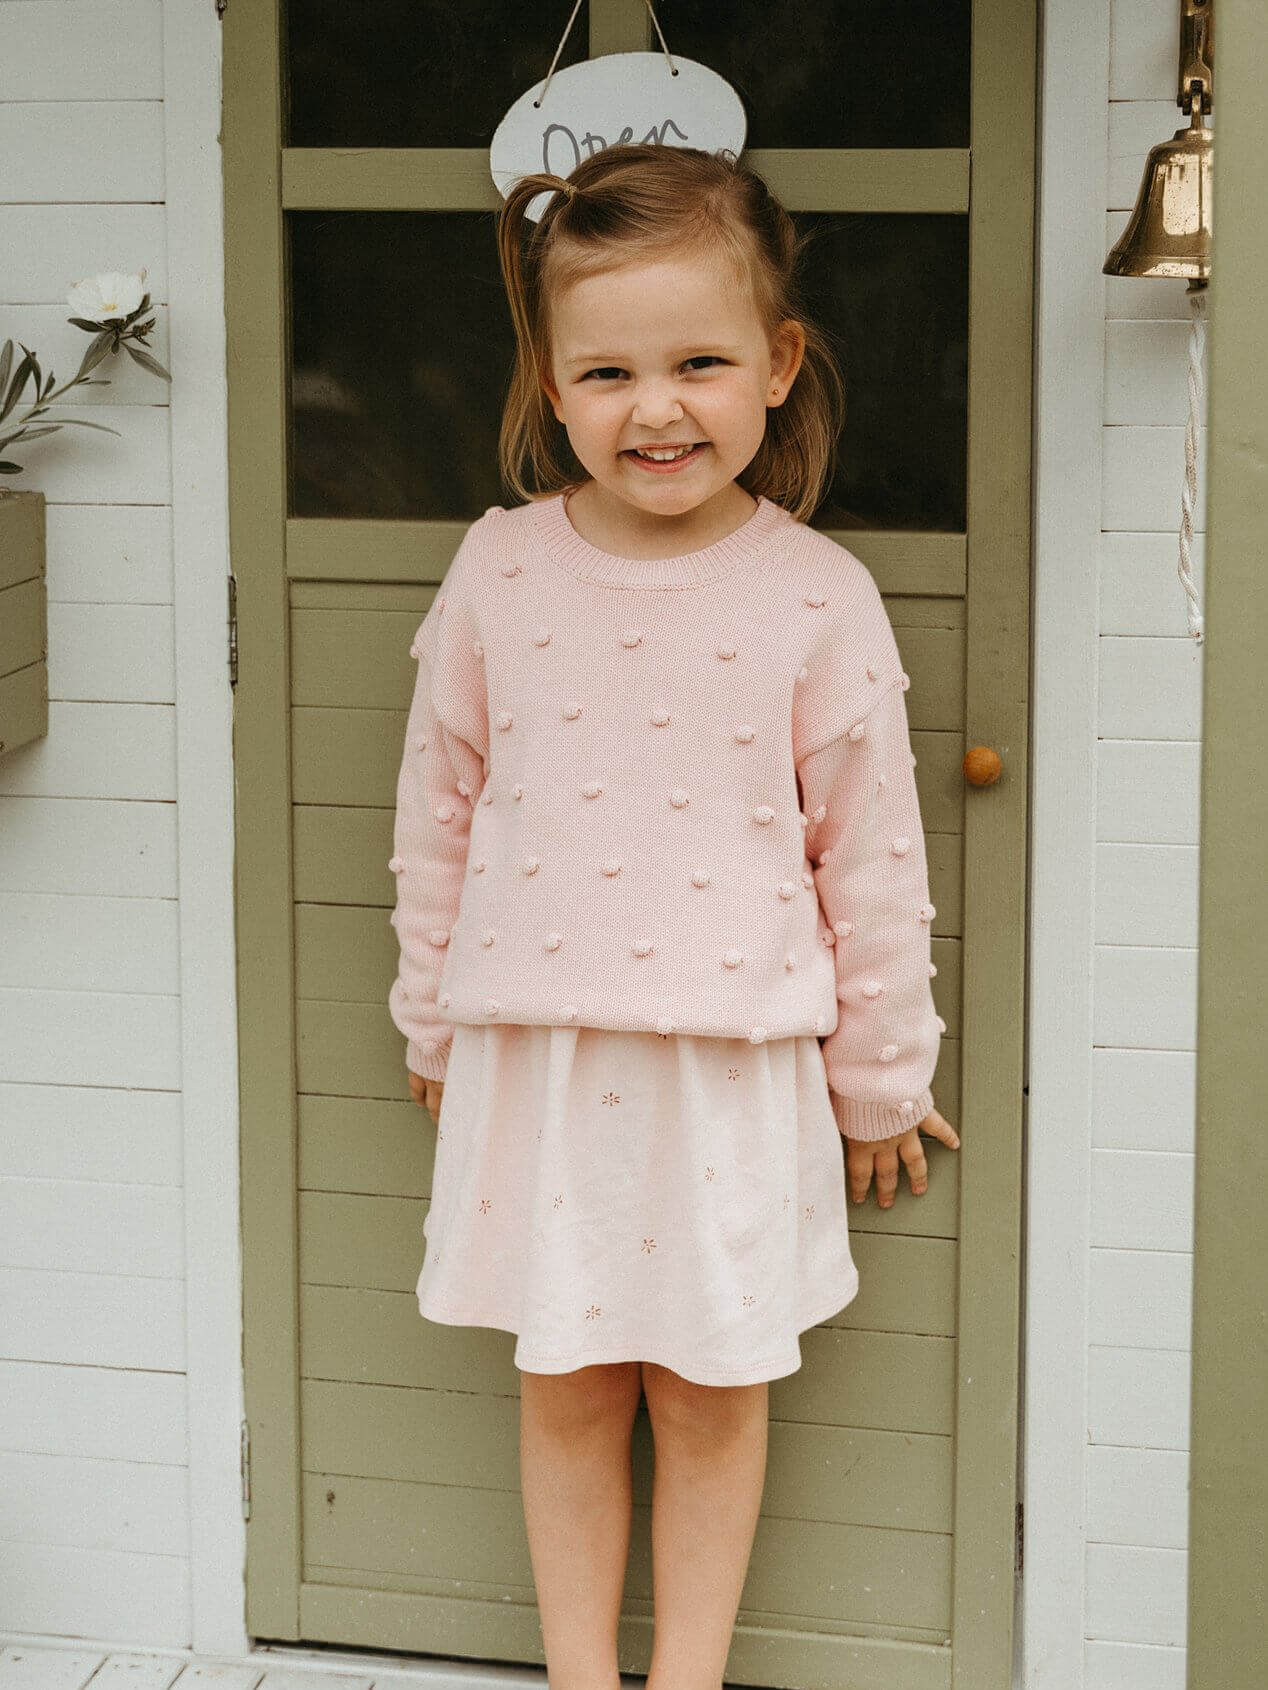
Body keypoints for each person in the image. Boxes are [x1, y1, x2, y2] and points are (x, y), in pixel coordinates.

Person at [387, 141, 960, 1690]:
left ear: (776, 363)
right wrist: (432, 1017)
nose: (656, 409)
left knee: (712, 1394)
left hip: (731, 1074)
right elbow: (438, 810)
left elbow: (872, 861)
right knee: (568, 1387)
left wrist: (881, 1079)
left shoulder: (817, 595)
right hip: (543, 1065)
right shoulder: (501, 569)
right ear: (553, 384)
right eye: (609, 371)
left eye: (699, 362)